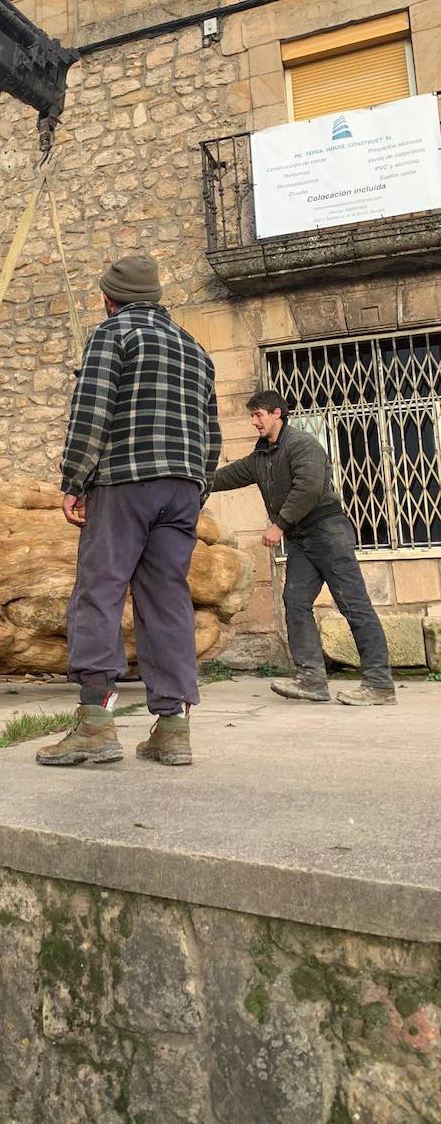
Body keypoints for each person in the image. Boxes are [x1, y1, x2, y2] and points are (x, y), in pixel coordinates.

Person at [37, 255, 221, 770]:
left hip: (125, 482)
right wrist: (195, 487)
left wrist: (74, 481)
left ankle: (95, 724)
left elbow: (91, 414)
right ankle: (172, 729)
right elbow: (211, 435)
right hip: (182, 490)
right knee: (168, 601)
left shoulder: (112, 335)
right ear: (157, 297)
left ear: (107, 297)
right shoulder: (196, 349)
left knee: (99, 590)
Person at [210, 391, 394, 706]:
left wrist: (279, 524)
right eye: (252, 416)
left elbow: (308, 487)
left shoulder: (302, 444)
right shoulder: (261, 458)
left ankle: (379, 684)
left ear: (277, 414)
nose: (254, 421)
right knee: (295, 602)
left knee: (353, 605)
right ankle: (312, 681)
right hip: (300, 538)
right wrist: (188, 481)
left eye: (259, 415)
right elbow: (225, 477)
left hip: (327, 531)